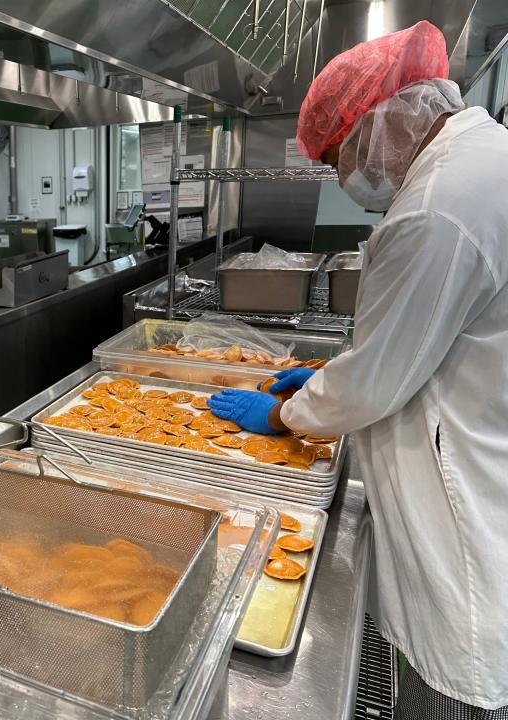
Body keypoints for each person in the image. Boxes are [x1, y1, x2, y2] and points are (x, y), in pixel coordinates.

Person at [208, 21, 508, 719]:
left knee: (450, 692)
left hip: (466, 516)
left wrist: (286, 411)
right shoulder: (480, 160)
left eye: (341, 155)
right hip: (473, 447)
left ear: (387, 119)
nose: (346, 177)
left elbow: (379, 378)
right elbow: (417, 340)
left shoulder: (439, 206)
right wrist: (324, 373)